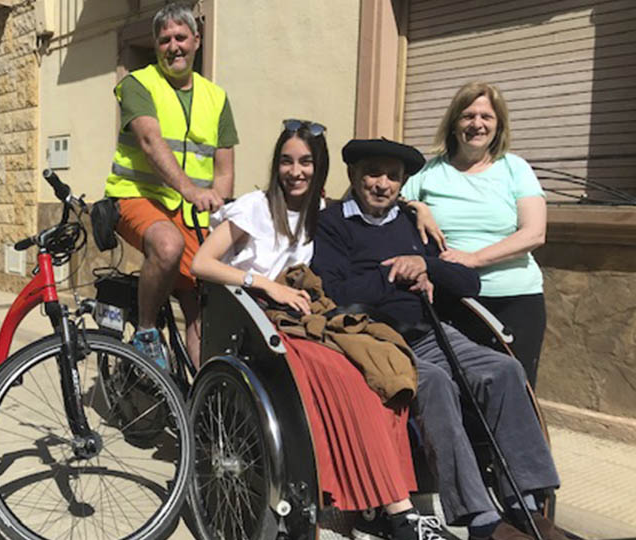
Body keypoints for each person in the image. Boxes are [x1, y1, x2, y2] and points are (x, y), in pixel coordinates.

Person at [192, 122, 450, 540]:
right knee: (346, 377)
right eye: (287, 161)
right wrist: (266, 284)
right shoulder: (256, 206)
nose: (296, 171)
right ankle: (399, 513)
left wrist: (420, 208)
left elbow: (378, 197)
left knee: (381, 373)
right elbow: (201, 264)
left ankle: (378, 504)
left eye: (306, 162)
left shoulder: (322, 211)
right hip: (262, 315)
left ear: (321, 167)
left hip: (311, 315)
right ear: (276, 165)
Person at [312, 138, 565, 540]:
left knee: (503, 368)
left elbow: (468, 280)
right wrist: (393, 271)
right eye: (373, 173)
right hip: (375, 341)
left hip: (430, 331)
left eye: (393, 177)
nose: (382, 184)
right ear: (353, 176)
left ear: (402, 184)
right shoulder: (334, 222)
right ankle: (479, 516)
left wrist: (427, 264)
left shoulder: (413, 221)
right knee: (434, 383)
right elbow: (335, 290)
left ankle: (527, 502)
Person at [104, 2, 236, 367]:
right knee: (167, 244)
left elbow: (224, 170)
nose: (173, 46)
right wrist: (191, 191)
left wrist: (219, 211)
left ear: (197, 39)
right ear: (156, 44)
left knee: (205, 295)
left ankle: (204, 394)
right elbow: (149, 142)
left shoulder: (217, 97)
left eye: (181, 37)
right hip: (135, 197)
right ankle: (146, 331)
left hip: (190, 213)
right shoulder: (137, 84)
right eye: (164, 40)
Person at [403, 82, 547, 387]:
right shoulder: (428, 173)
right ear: (454, 123)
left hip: (515, 300)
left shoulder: (515, 169)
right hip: (453, 300)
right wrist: (417, 207)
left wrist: (473, 259)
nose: (477, 124)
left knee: (515, 390)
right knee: (460, 390)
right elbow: (389, 204)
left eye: (486, 117)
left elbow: (534, 233)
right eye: (468, 116)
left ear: (498, 126)